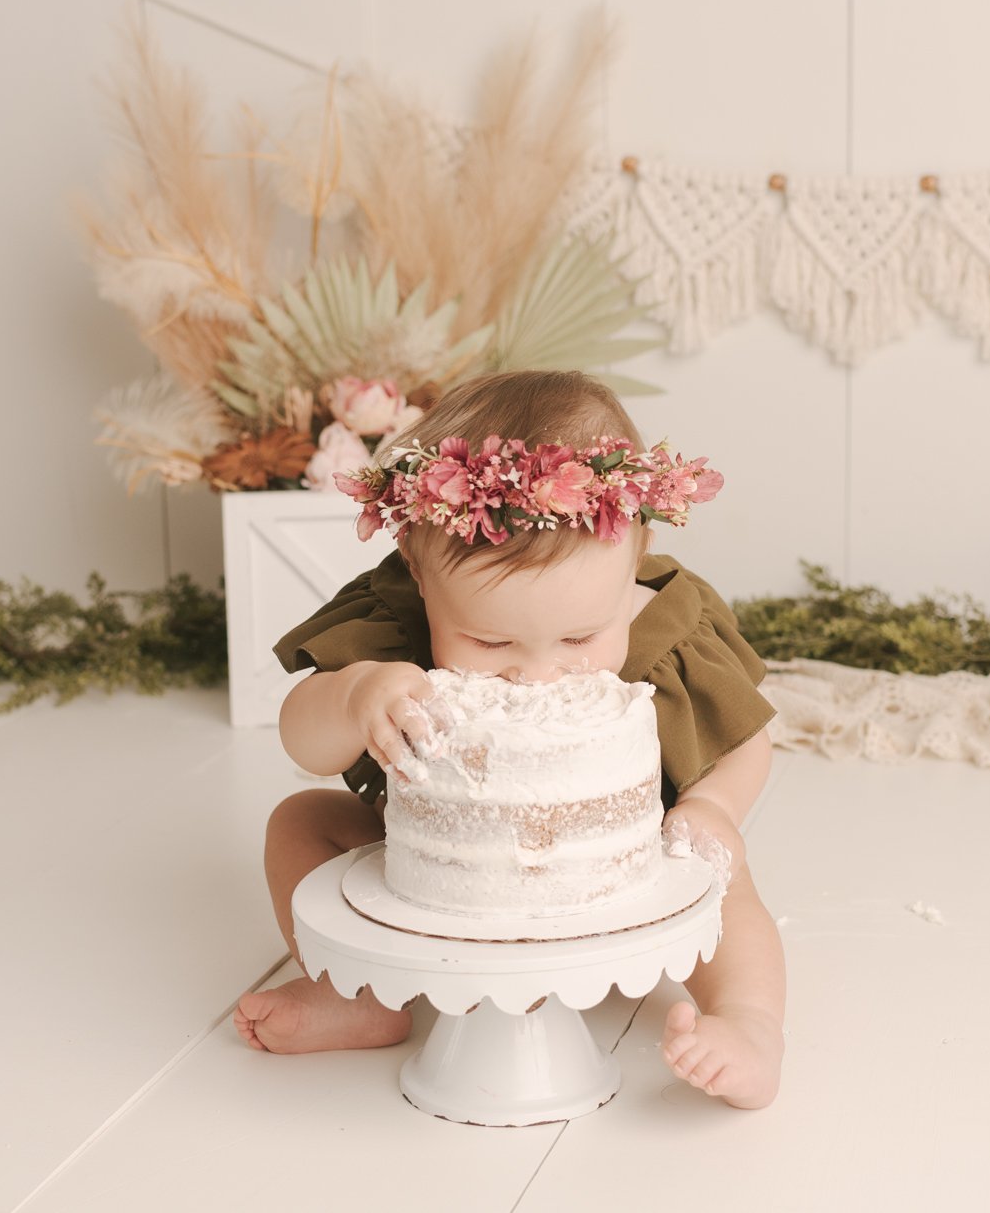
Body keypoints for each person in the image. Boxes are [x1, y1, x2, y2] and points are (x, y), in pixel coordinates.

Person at [231, 369, 787, 1109]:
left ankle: (750, 1022)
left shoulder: (674, 629)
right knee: (298, 824)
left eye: (581, 635)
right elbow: (305, 737)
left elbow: (751, 736)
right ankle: (359, 996)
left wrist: (715, 807)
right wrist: (355, 692)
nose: (537, 673)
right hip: (441, 857)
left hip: (628, 856)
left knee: (725, 876)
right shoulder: (394, 624)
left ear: (633, 562)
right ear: (422, 576)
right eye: (489, 640)